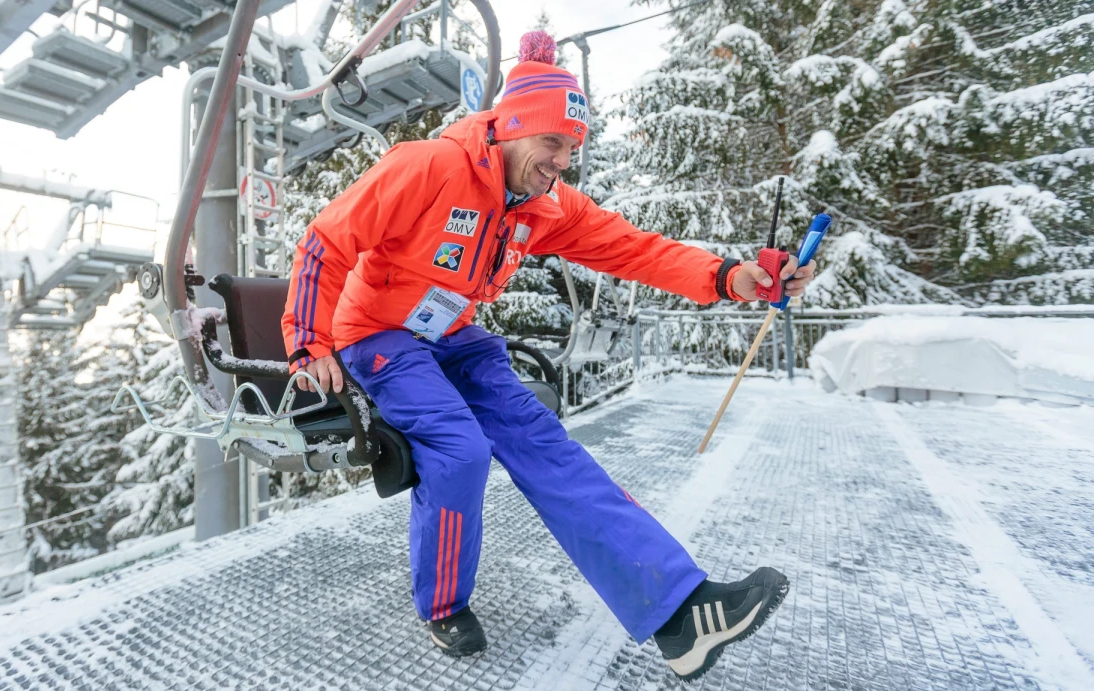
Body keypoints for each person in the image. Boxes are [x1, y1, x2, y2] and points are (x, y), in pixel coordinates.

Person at [282, 31, 816, 681]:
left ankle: (678, 614)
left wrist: (731, 277)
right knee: (459, 448)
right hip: (377, 334)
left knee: (547, 443)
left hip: (453, 339)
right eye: (552, 143)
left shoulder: (543, 206)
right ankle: (443, 603)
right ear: (511, 127)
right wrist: (309, 338)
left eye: (572, 149)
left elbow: (634, 249)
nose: (561, 162)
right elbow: (325, 241)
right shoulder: (427, 167)